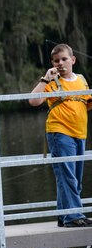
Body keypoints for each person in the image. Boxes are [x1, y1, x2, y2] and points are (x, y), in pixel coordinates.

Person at [29, 43, 92, 227]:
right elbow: (33, 100)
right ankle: (73, 217)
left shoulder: (81, 79)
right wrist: (45, 79)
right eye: (56, 61)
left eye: (64, 59)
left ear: (73, 60)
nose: (61, 63)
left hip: (80, 133)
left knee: (76, 176)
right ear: (52, 63)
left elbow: (86, 104)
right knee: (67, 175)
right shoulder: (50, 82)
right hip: (60, 132)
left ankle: (64, 215)